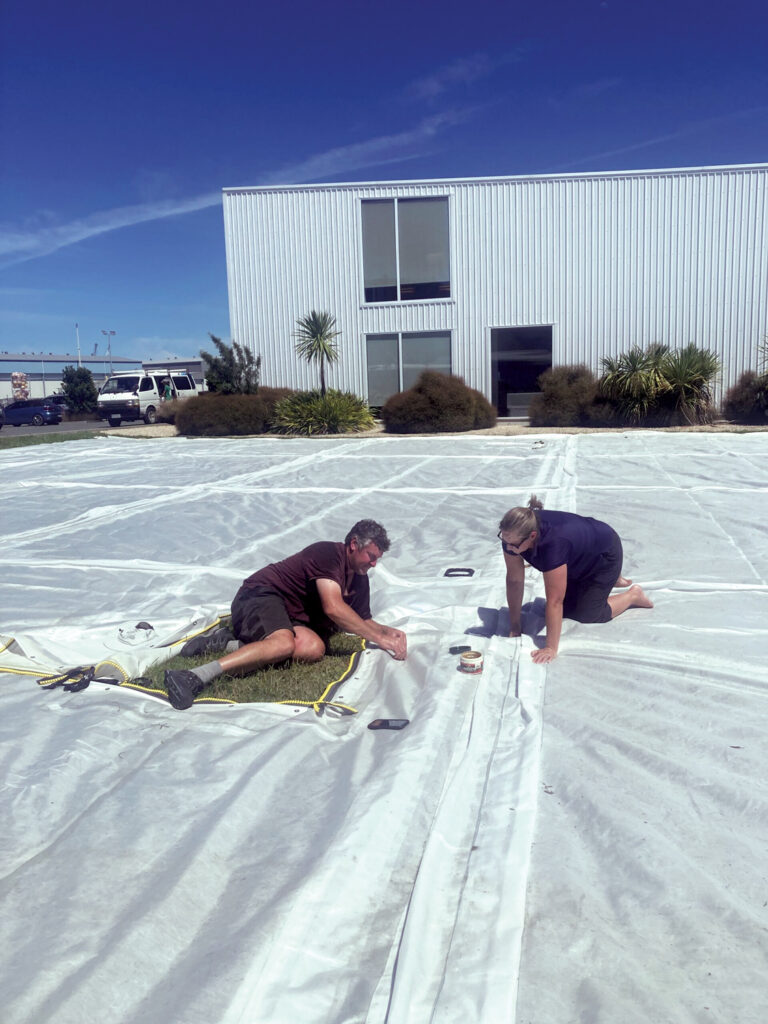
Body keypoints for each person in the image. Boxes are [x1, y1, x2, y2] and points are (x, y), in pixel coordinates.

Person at [164, 519, 407, 709]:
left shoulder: (359, 578)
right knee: (282, 644)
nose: (374, 564)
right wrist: (379, 639)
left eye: (377, 559)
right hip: (260, 594)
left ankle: (226, 643)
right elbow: (334, 608)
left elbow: (362, 619)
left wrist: (388, 632)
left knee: (312, 649)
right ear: (354, 545)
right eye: (371, 557)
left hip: (288, 616)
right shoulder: (328, 554)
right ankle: (192, 677)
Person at [499, 495, 653, 664]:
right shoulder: (513, 535)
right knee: (566, 612)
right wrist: (514, 626)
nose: (509, 548)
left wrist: (551, 647)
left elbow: (555, 601)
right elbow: (514, 581)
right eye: (504, 541)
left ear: (532, 536)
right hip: (576, 556)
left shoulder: (553, 544)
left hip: (604, 555)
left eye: (513, 545)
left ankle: (632, 594)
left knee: (587, 615)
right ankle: (614, 578)